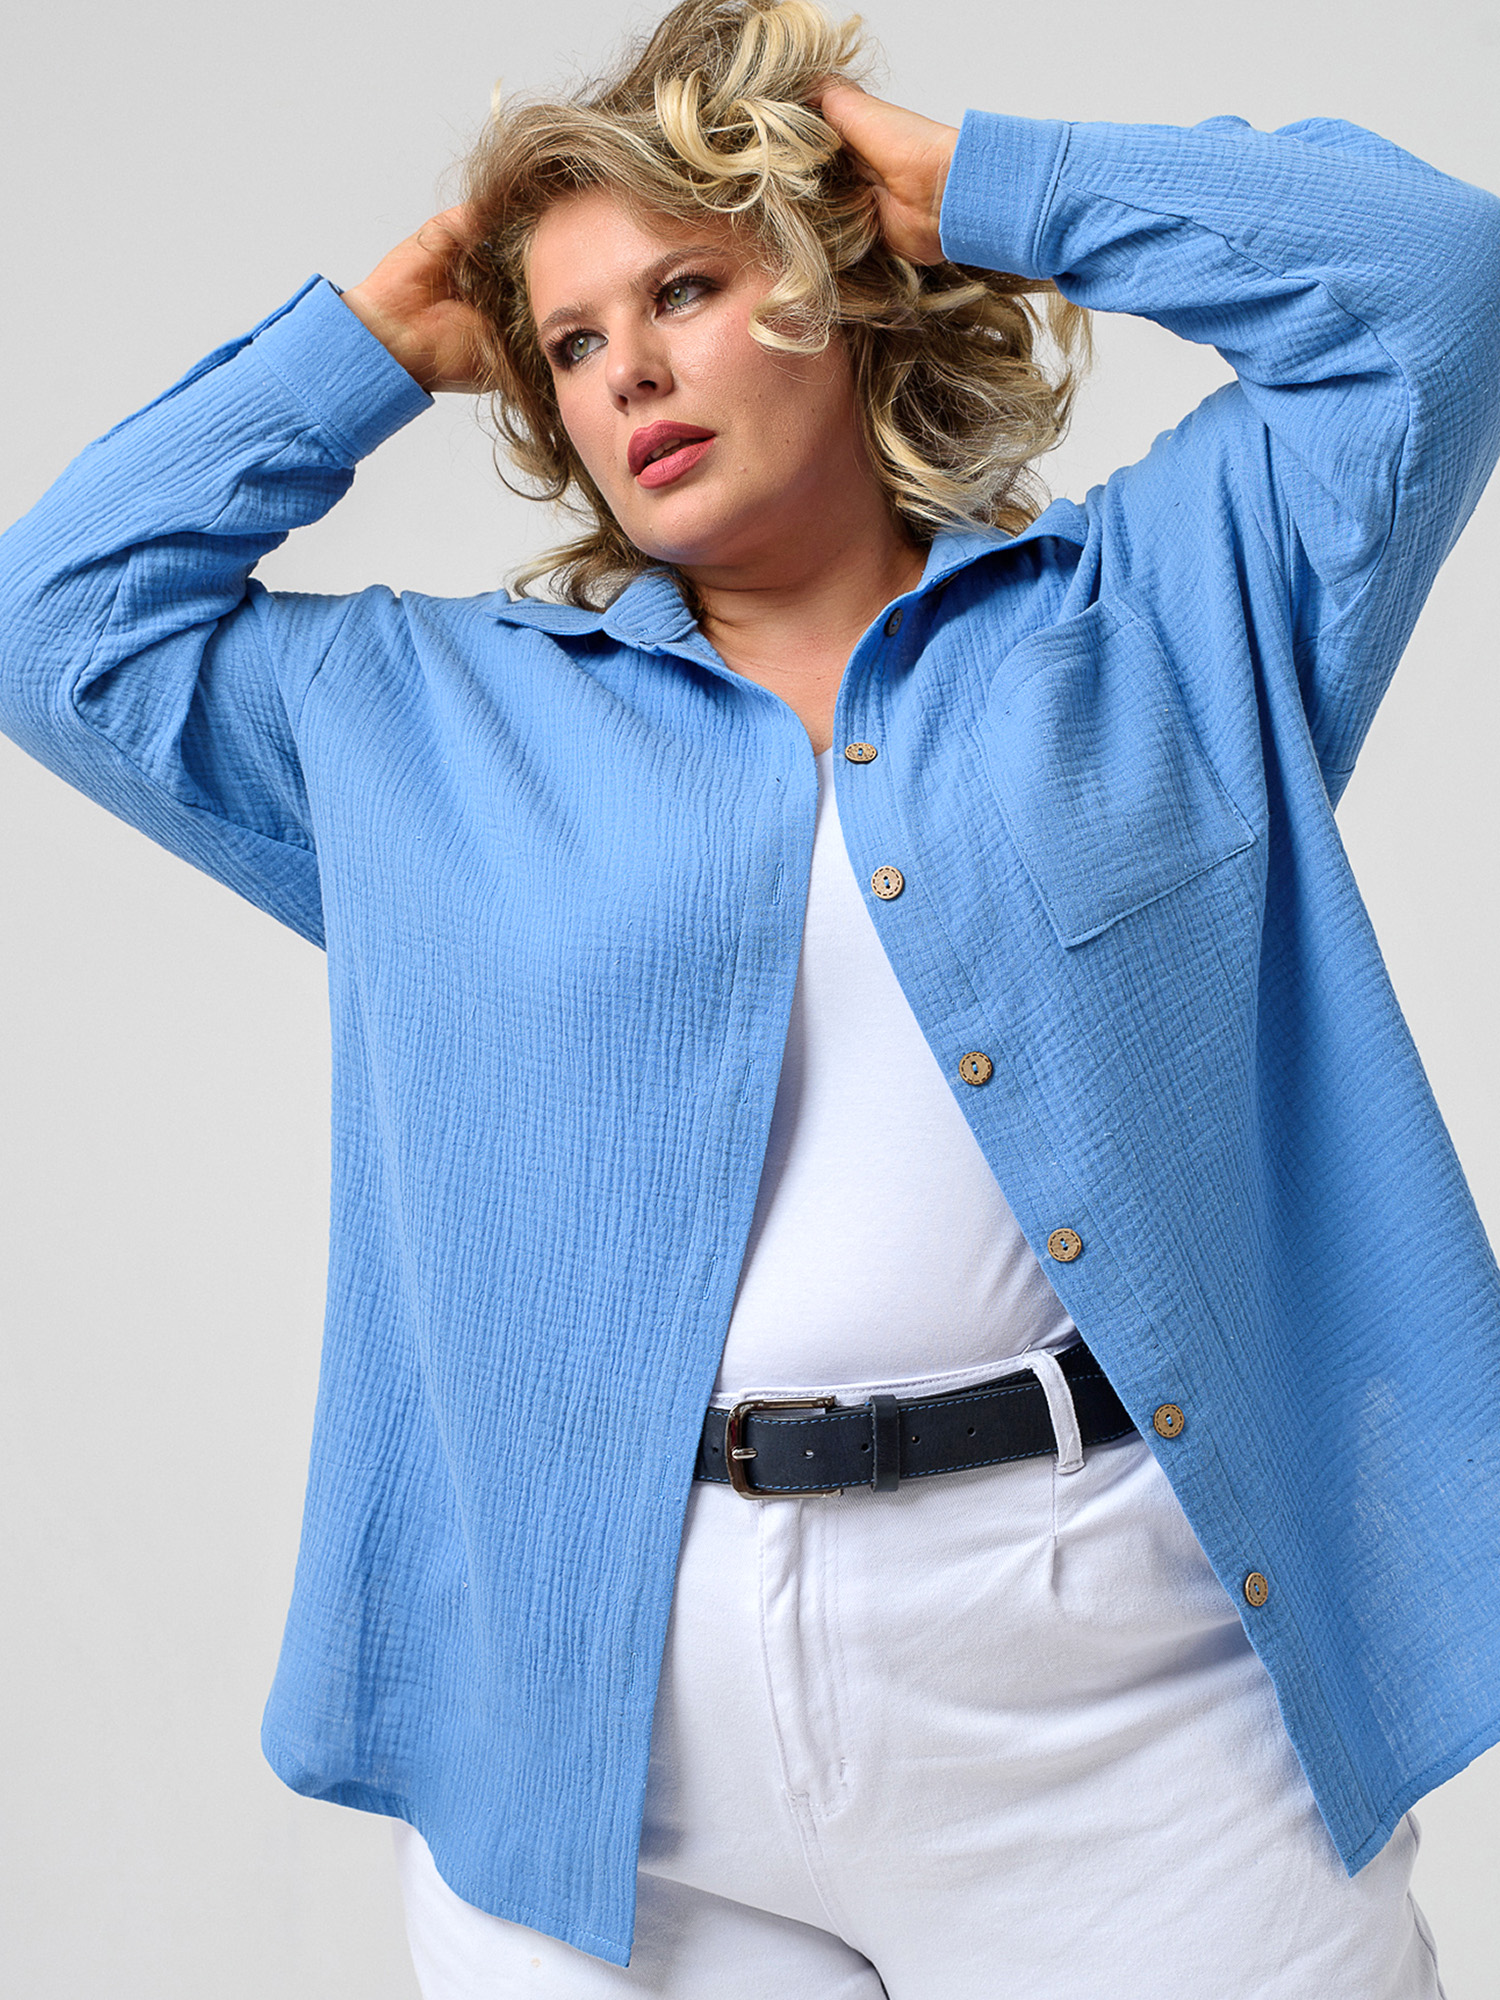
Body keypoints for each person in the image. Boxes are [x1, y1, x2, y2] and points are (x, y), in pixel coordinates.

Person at [2, 0, 1499, 1991]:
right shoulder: (423, 722)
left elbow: (1435, 287)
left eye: (685, 289)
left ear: (840, 284)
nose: (625, 371)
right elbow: (57, 622)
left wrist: (986, 183)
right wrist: (368, 341)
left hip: (1117, 1689)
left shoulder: (1169, 609)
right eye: (568, 343)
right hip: (616, 1737)